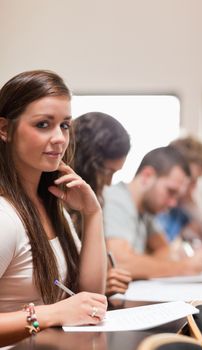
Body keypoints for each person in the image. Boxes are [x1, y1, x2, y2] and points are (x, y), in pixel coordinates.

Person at [0, 70, 107, 347]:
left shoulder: (49, 201)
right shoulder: (4, 216)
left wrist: (92, 214)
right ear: (3, 129)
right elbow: (65, 310)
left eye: (65, 125)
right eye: (43, 124)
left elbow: (91, 301)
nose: (60, 138)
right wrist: (52, 313)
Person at [103, 146, 202, 280]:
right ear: (147, 176)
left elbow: (168, 252)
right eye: (170, 191)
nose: (173, 203)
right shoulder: (116, 199)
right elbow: (119, 262)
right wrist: (185, 267)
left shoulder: (146, 211)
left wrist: (140, 262)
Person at [72, 112, 132, 296]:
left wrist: (101, 279)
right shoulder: (58, 203)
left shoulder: (94, 203)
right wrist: (93, 286)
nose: (108, 183)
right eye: (107, 171)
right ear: (87, 163)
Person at [156, 136, 202, 259]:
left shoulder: (182, 209)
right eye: (190, 180)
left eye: (196, 182)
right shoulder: (155, 203)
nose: (192, 188)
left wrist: (197, 207)